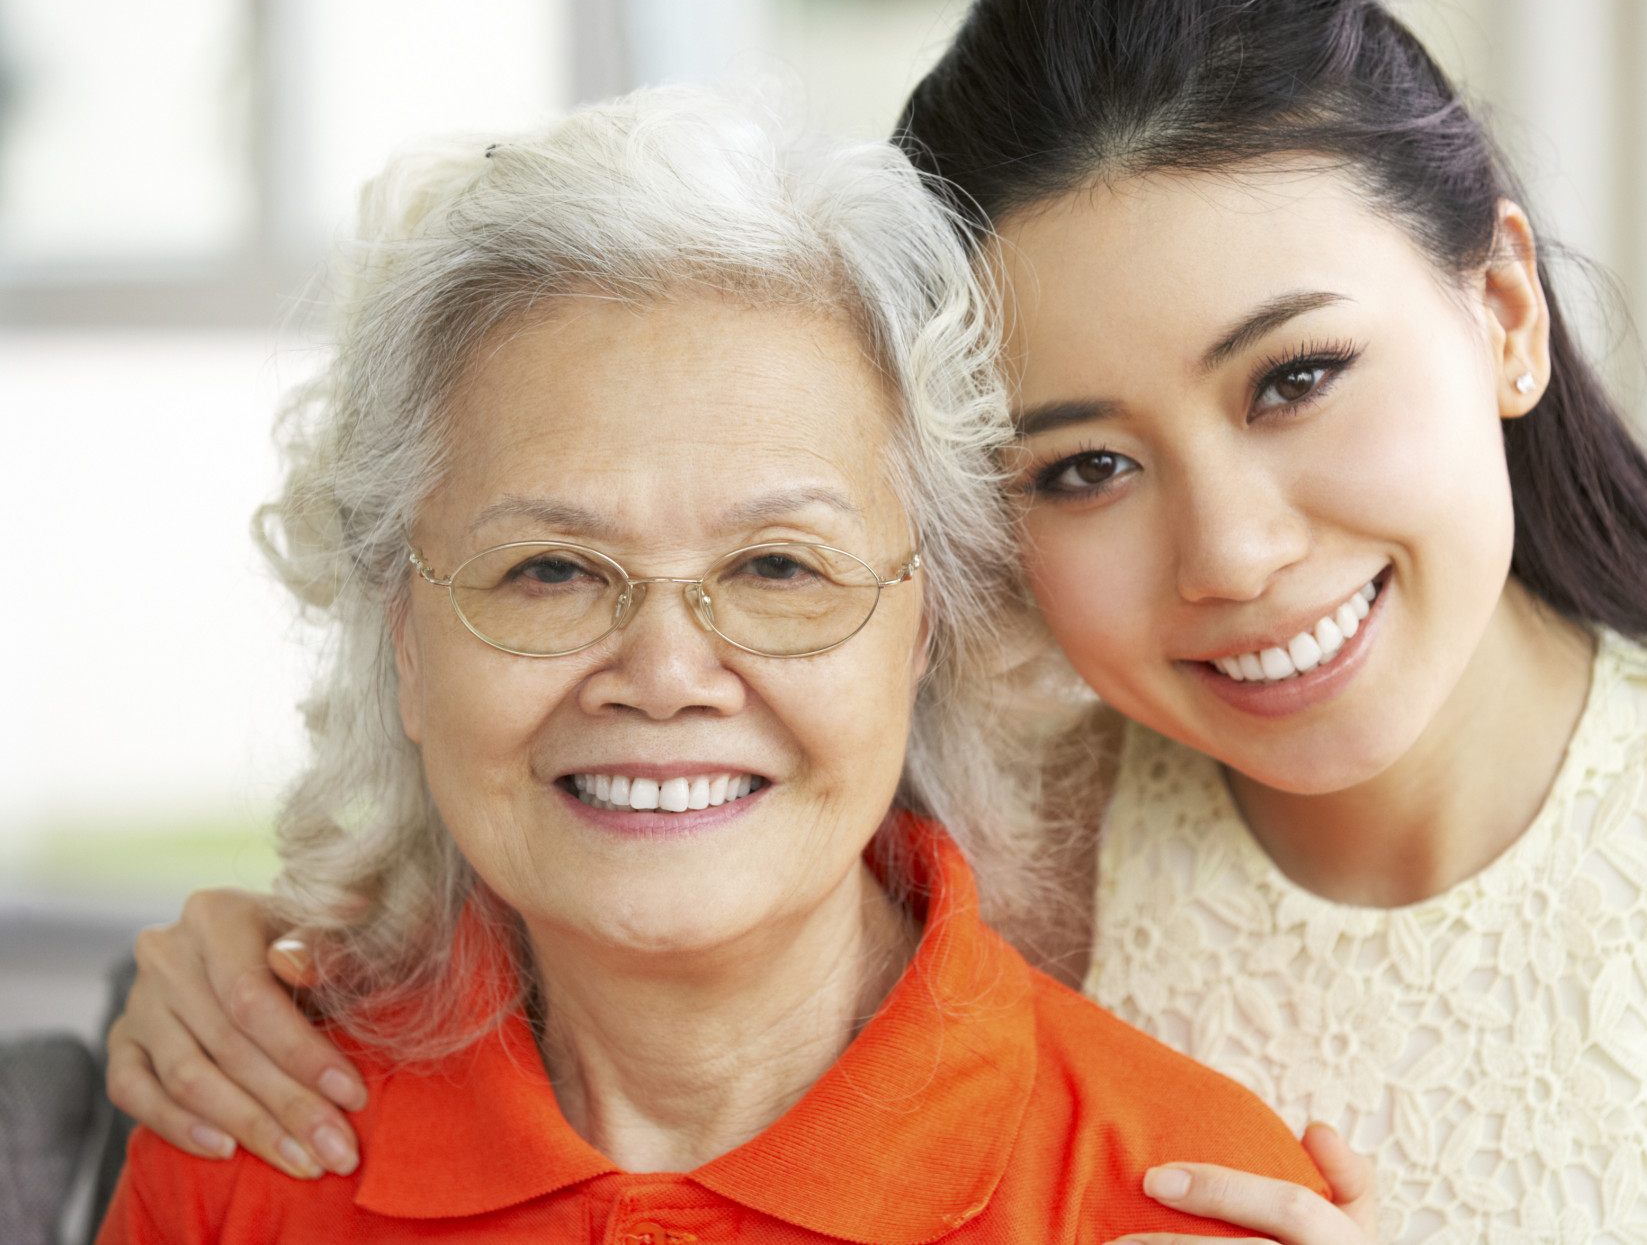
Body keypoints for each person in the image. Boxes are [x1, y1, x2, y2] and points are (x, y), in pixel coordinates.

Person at [108, 0, 1647, 1244]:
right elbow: (632, 832)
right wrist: (245, 958)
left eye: (1296, 377)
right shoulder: (1030, 804)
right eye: (1086, 462)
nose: (1231, 549)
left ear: (1503, 309)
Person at [93, 86, 1339, 1244]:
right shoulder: (239, 1147)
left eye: (778, 570)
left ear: (925, 627)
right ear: (405, 644)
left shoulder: (1173, 1192)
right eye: (551, 570)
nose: (666, 670)